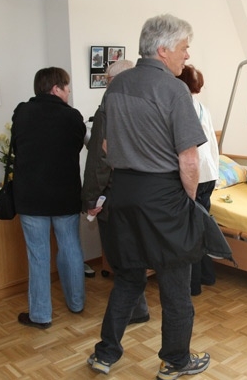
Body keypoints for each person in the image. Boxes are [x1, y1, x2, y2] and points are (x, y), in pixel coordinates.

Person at [88, 14, 211, 379]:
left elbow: (103, 146)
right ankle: (176, 361)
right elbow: (189, 159)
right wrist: (189, 203)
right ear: (163, 49)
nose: (187, 55)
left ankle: (105, 354)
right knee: (175, 288)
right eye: (184, 48)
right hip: (162, 199)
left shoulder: (117, 86)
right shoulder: (173, 90)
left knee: (128, 279)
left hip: (123, 195)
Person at [11, 67, 86, 329]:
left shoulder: (22, 112)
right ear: (56, 88)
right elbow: (77, 146)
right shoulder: (72, 116)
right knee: (70, 247)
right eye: (67, 87)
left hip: (31, 196)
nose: (69, 92)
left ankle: (41, 315)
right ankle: (76, 303)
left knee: (38, 255)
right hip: (65, 194)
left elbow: (18, 147)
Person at [81, 58, 150, 324]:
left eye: (108, 81)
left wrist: (90, 198)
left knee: (121, 257)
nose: (106, 86)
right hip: (142, 194)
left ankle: (132, 311)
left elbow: (99, 160)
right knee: (135, 253)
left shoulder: (107, 110)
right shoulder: (147, 105)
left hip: (116, 196)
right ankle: (138, 307)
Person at [176, 65, 219, 296]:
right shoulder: (203, 109)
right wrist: (216, 174)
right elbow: (212, 144)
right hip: (209, 174)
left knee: (189, 231)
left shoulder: (180, 108)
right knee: (202, 227)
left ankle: (193, 285)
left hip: (193, 175)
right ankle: (207, 276)